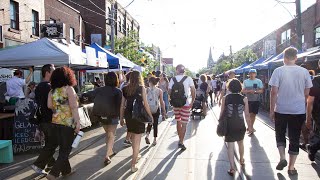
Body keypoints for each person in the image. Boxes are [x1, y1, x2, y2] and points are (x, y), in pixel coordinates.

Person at [269, 47, 312, 175]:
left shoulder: (278, 71)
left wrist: (272, 110)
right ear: (296, 58)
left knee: (280, 134)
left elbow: (273, 92)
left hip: (281, 109)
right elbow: (307, 93)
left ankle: (282, 157)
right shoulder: (304, 72)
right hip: (298, 110)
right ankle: (291, 167)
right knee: (294, 137)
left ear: (284, 57)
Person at [45, 67, 81, 180]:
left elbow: (49, 106)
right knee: (65, 150)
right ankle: (53, 173)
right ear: (68, 76)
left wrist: (59, 107)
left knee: (62, 148)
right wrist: (78, 123)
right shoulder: (69, 89)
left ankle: (66, 171)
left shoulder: (52, 91)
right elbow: (74, 107)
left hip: (55, 122)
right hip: (68, 123)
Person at [83, 72, 122, 166]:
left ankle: (110, 151)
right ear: (116, 80)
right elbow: (120, 105)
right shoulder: (117, 91)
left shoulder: (99, 89)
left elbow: (86, 95)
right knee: (111, 135)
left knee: (108, 134)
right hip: (113, 116)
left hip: (101, 115)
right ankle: (107, 155)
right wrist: (122, 117)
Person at [120, 70, 154, 173]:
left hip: (128, 116)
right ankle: (133, 165)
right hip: (138, 116)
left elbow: (122, 105)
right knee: (137, 141)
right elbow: (146, 104)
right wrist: (151, 116)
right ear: (139, 78)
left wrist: (121, 118)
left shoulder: (125, 88)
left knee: (133, 138)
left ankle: (136, 155)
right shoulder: (141, 88)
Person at [219, 78, 251, 176]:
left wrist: (220, 123)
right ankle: (241, 160)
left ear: (229, 87)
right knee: (241, 143)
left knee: (230, 146)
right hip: (240, 124)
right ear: (240, 87)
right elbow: (247, 115)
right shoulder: (244, 98)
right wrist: (250, 126)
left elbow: (222, 112)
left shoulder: (225, 98)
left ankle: (232, 168)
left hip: (229, 125)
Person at [32, 64, 56, 174]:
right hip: (48, 119)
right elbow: (51, 105)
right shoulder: (48, 87)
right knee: (51, 143)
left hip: (42, 119)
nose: (55, 73)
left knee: (49, 142)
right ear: (47, 73)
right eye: (53, 71)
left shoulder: (39, 86)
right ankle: (38, 165)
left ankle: (51, 163)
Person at [169, 64, 196, 150]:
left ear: (176, 70)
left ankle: (179, 139)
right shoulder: (188, 78)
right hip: (185, 104)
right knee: (184, 124)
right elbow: (193, 90)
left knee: (178, 121)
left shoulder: (172, 79)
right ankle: (181, 141)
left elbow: (169, 91)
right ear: (184, 71)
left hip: (176, 105)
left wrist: (172, 98)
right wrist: (192, 101)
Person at [306, 60, 320, 161]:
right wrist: (308, 118)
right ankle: (312, 148)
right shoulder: (316, 81)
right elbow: (310, 101)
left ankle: (312, 148)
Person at [145, 77, 166, 146]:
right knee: (155, 124)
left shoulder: (146, 90)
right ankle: (154, 140)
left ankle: (147, 135)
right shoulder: (159, 91)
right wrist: (164, 111)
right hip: (156, 109)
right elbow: (161, 101)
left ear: (150, 82)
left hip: (148, 109)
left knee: (150, 122)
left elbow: (144, 100)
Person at [242, 69, 263, 135]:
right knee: (249, 114)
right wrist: (249, 91)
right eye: (251, 73)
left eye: (253, 73)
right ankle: (250, 127)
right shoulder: (245, 81)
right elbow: (242, 91)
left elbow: (261, 90)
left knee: (253, 114)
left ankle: (250, 127)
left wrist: (255, 92)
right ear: (249, 74)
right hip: (248, 100)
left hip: (256, 100)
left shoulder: (258, 81)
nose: (252, 74)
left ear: (255, 74)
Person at [120, 71, 133, 146]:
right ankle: (127, 139)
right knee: (131, 126)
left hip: (126, 108)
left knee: (130, 125)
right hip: (130, 108)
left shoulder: (123, 85)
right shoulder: (132, 87)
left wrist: (121, 117)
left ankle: (129, 139)